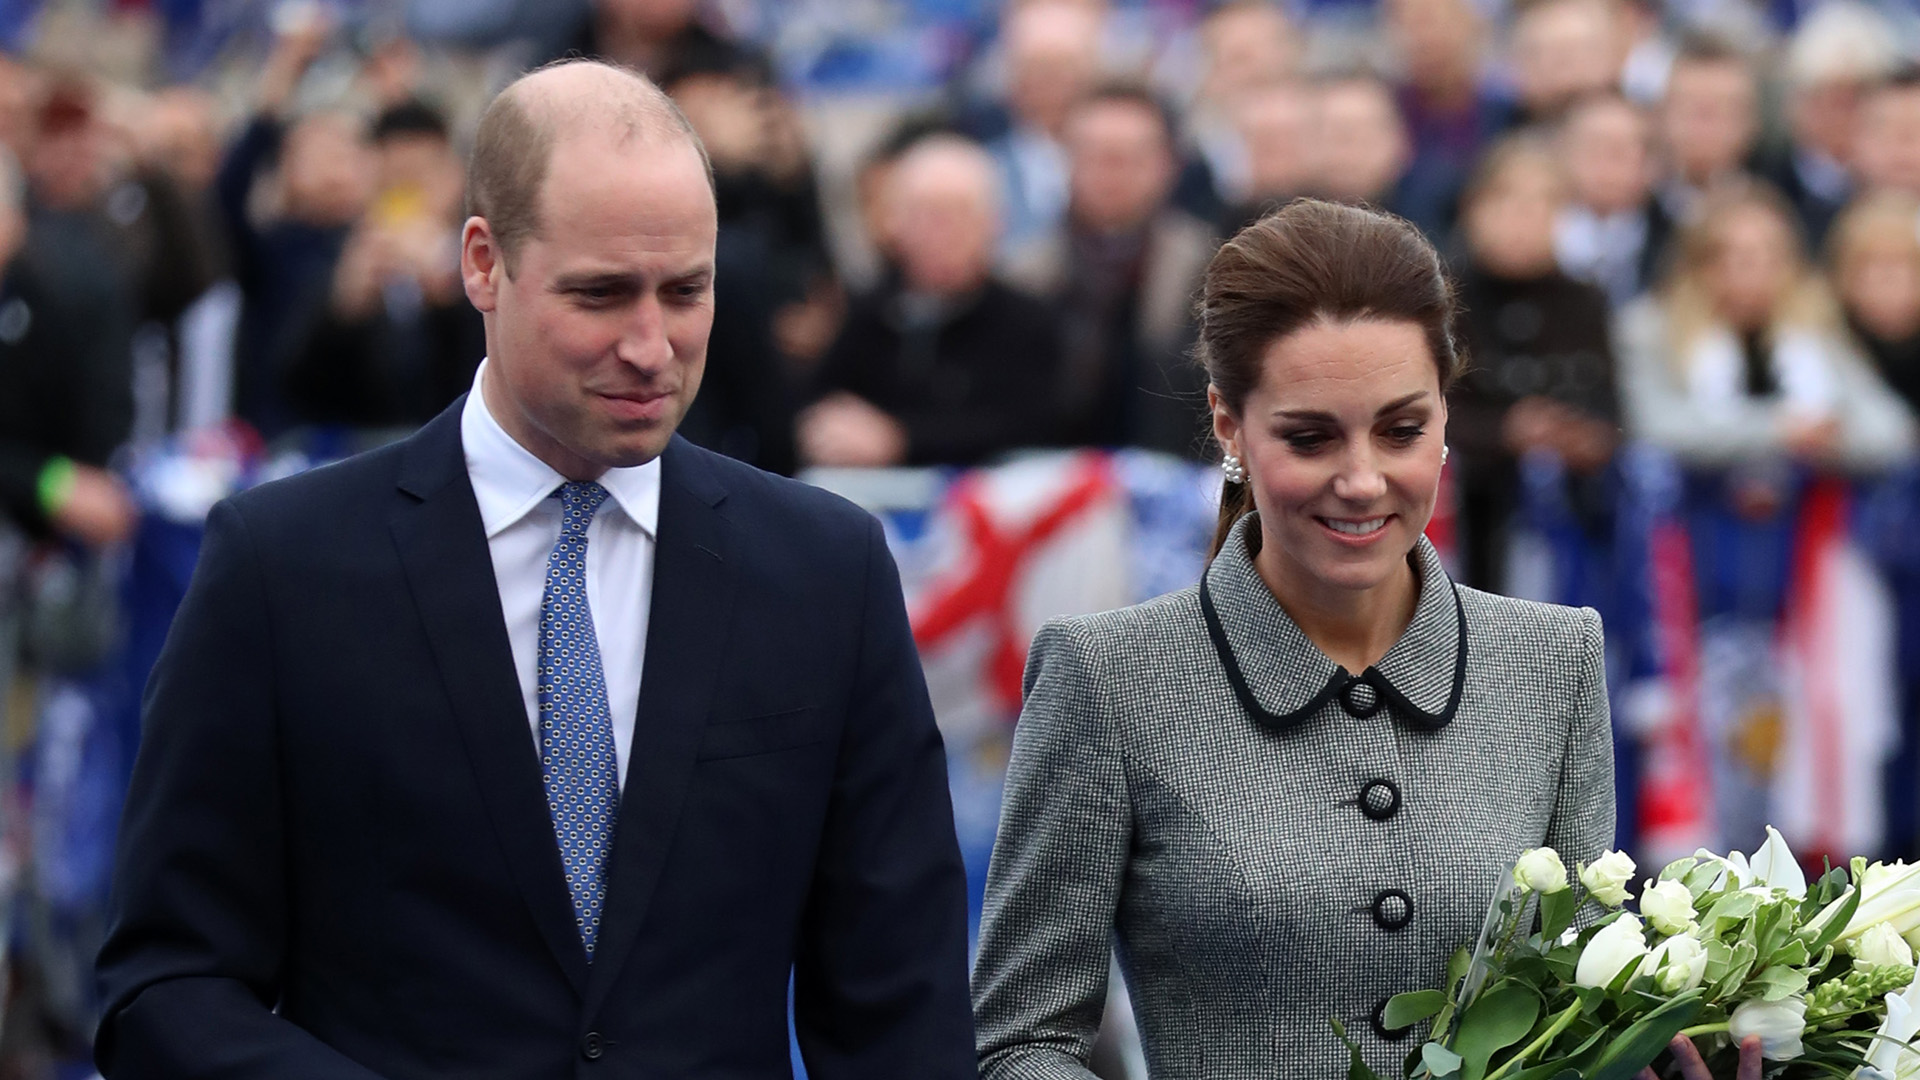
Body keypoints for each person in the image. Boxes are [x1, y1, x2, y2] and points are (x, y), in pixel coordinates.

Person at [93, 59, 976, 1078]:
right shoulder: (282, 568)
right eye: (600, 294)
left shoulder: (826, 573)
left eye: (686, 291)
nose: (651, 346)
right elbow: (167, 985)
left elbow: (902, 1009)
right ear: (483, 263)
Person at [971, 198, 1618, 1078]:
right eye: (1311, 438)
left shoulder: (1555, 660)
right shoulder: (1107, 677)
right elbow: (1023, 1043)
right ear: (1228, 425)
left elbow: (1585, 1013)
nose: (1362, 479)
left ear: (1446, 415)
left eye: (1401, 430)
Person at [799, 135, 1066, 468]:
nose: (945, 232)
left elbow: (1031, 427)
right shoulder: (868, 315)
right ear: (894, 223)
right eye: (928, 215)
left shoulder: (1028, 322)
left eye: (961, 214)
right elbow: (816, 405)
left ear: (994, 224)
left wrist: (901, 440)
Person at [1616, 181, 1915, 473]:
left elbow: (1889, 428)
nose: (1754, 274)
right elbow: (1656, 425)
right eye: (1739, 258)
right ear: (1700, 264)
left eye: (1769, 257)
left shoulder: (1815, 327)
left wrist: (1827, 435)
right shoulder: (1649, 329)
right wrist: (1778, 430)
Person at [1003, 82, 1215, 457]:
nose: (1113, 174)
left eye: (1131, 158)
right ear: (1066, 161)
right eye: (1097, 156)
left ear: (1168, 165)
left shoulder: (1208, 267)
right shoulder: (1021, 276)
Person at [1450, 135, 1620, 593]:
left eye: (1544, 203)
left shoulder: (1586, 302)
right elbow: (1425, 415)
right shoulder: (1444, 299)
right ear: (1473, 209)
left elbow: (1613, 411)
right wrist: (1505, 432)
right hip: (1471, 516)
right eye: (1507, 200)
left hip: (1575, 520)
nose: (1524, 218)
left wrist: (1581, 438)